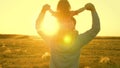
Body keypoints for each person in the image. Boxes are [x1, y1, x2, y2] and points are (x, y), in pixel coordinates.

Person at [36, 2, 100, 68]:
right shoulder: (79, 40)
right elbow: (96, 29)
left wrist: (43, 11)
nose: (65, 21)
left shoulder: (52, 40)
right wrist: (93, 10)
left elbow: (38, 27)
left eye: (68, 21)